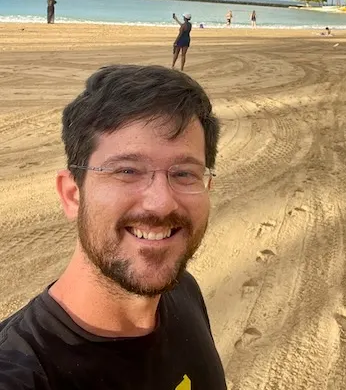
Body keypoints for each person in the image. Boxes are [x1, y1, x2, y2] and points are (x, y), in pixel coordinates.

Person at [0, 65, 226, 389]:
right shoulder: (22, 371)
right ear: (72, 194)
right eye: (127, 171)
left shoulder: (183, 291)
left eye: (184, 173)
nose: (161, 202)